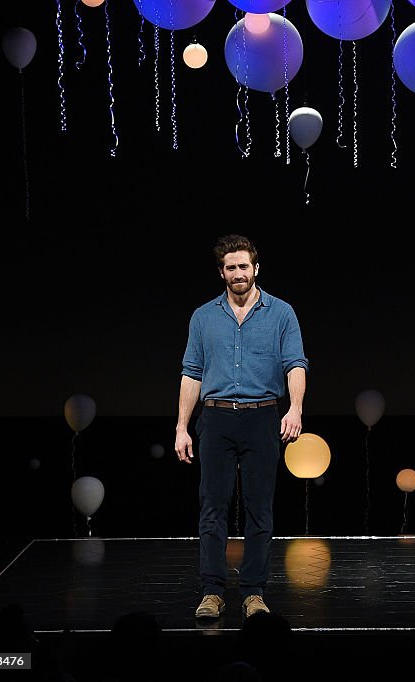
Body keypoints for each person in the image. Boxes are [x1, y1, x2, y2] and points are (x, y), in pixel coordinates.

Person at [174, 234, 309, 620]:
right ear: (221, 272)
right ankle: (212, 592)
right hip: (215, 418)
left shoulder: (281, 313)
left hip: (262, 416)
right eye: (230, 268)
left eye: (243, 266)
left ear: (256, 268)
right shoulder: (203, 316)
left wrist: (295, 408)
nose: (238, 273)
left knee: (259, 509)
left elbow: (295, 363)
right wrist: (182, 426)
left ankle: (253, 593)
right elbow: (191, 372)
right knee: (212, 509)